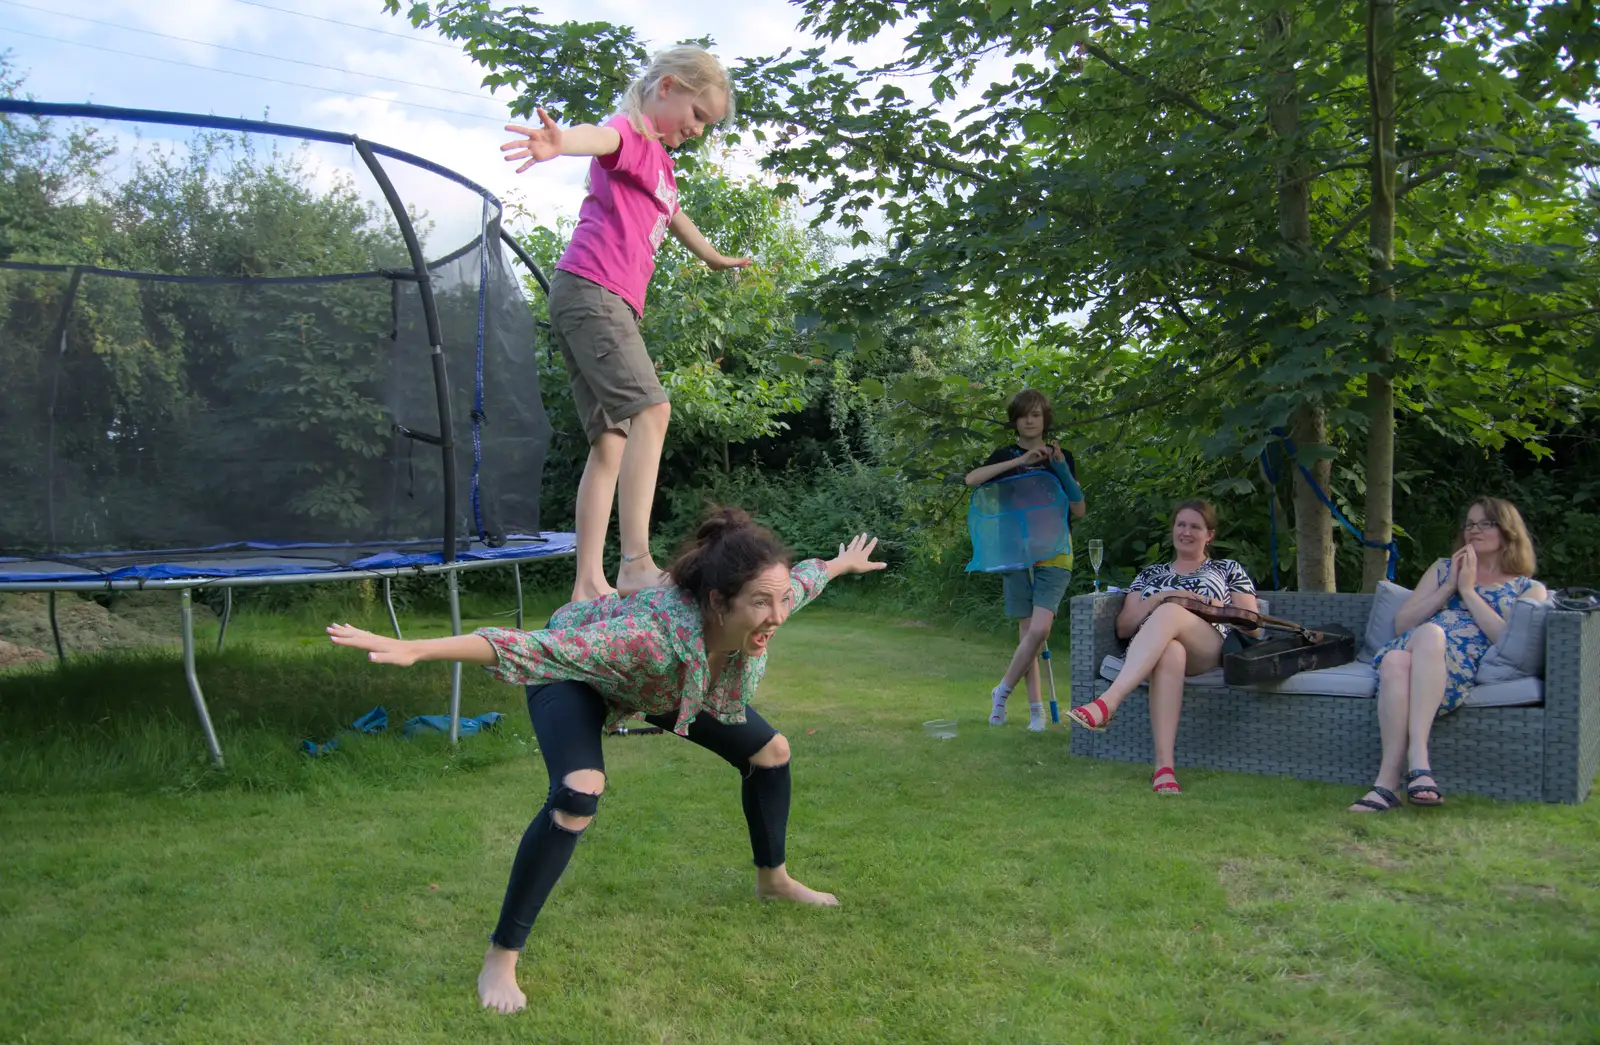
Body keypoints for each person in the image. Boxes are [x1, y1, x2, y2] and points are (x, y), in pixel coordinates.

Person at [326, 508, 886, 1013]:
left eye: (781, 599)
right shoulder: (648, 640)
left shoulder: (767, 599)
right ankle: (501, 956)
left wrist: (839, 564)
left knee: (772, 752)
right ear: (718, 601)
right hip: (574, 676)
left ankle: (774, 881)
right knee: (579, 791)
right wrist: (420, 648)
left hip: (662, 689)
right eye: (762, 604)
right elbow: (532, 647)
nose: (777, 615)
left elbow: (806, 578)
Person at [501, 46, 751, 602]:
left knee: (611, 440)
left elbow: (675, 215)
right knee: (652, 409)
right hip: (595, 292)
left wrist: (713, 257)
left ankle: (588, 581)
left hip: (586, 295)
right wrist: (561, 142)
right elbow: (601, 136)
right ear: (667, 88)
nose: (698, 130)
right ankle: (636, 561)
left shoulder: (660, 164)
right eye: (697, 116)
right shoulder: (631, 136)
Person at [1349, 497, 1546, 812]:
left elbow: (1505, 641)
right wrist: (1450, 586)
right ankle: (1419, 763)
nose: (1474, 530)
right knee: (1425, 635)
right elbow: (1402, 624)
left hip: (1450, 670)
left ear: (1507, 531)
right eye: (1469, 524)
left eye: (1485, 523)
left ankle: (1385, 787)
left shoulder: (1527, 588)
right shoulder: (1443, 569)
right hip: (1417, 641)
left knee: (1398, 662)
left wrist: (1468, 592)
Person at [1066, 500, 1259, 794]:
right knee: (1170, 651)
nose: (1186, 532)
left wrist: (1202, 603)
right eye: (1181, 524)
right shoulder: (1150, 574)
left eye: (1195, 526)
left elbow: (1253, 624)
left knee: (1170, 614)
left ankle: (1108, 702)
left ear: (1210, 535)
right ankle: (1164, 769)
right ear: (1172, 530)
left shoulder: (1226, 568)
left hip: (1206, 646)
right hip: (1154, 650)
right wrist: (1161, 596)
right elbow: (1124, 627)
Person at [964, 389, 1086, 731]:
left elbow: (1078, 507)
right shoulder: (1004, 455)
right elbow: (972, 479)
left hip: (1056, 550)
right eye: (1024, 415)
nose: (1030, 420)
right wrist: (1021, 461)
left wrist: (1059, 468)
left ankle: (1001, 690)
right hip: (1016, 553)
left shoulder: (1064, 456)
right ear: (1014, 420)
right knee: (1027, 634)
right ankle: (1036, 711)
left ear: (1045, 418)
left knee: (1040, 629)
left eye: (1036, 414)